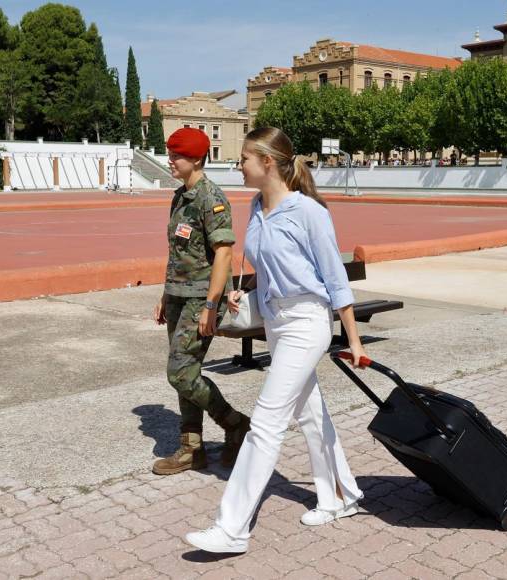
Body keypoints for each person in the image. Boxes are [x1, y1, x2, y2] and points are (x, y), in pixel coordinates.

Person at [185, 127, 367, 554]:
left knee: (266, 422)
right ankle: (341, 496)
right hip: (276, 321)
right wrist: (243, 292)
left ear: (267, 162)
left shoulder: (309, 213)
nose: (238, 166)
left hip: (307, 322)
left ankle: (231, 529)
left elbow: (335, 282)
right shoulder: (256, 206)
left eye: (244, 158)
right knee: (309, 414)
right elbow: (265, 267)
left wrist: (354, 341)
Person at [152, 128, 250, 476]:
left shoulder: (212, 198)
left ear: (195, 158)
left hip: (201, 300)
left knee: (179, 373)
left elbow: (223, 254)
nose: (170, 160)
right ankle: (191, 448)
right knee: (186, 373)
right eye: (170, 153)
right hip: (179, 296)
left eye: (176, 155)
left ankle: (235, 423)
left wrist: (211, 305)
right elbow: (176, 252)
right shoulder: (180, 197)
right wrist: (165, 294)